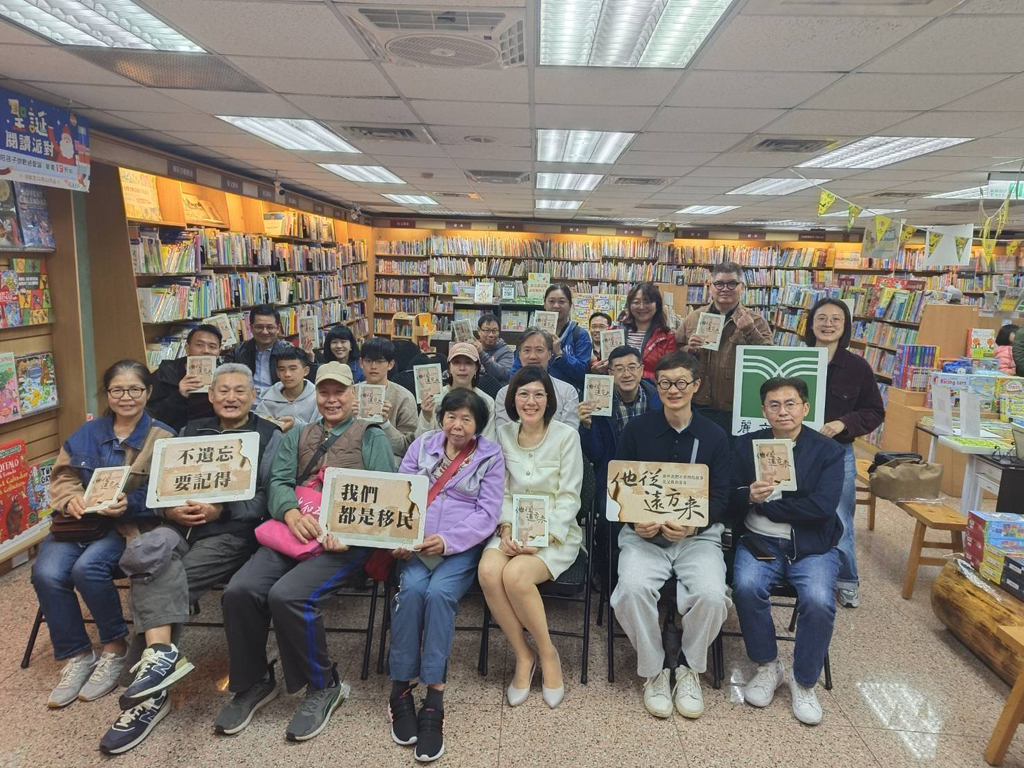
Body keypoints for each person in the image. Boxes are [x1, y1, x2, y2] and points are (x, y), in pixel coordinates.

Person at [102, 364, 281, 755]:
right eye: (223, 391)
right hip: (178, 526)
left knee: (161, 579)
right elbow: (159, 488)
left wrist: (222, 509)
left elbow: (269, 497)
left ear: (253, 396)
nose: (231, 398)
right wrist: (170, 510)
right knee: (149, 559)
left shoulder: (269, 435)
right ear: (211, 396)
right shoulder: (189, 431)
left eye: (240, 391)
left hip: (232, 532)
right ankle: (160, 662)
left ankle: (148, 695)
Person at [216, 362, 394, 741]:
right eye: (324, 392)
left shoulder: (371, 436)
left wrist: (348, 535)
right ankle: (253, 680)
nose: (331, 399)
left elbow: (384, 495)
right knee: (239, 591)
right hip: (293, 533)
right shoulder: (298, 434)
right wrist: (290, 512)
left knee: (289, 596)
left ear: (353, 395)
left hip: (343, 545)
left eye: (339, 392)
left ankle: (324, 684)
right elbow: (279, 481)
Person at [31, 361, 173, 712]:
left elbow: (164, 490)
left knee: (87, 569)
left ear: (148, 392)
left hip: (123, 526)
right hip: (78, 523)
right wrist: (70, 499)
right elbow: (63, 477)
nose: (126, 397)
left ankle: (114, 648)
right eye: (117, 390)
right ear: (107, 394)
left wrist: (129, 503)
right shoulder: (87, 432)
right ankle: (78, 655)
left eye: (134, 389)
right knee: (46, 573)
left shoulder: (163, 437)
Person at [609, 351, 732, 721]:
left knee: (713, 596)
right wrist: (634, 522)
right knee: (630, 590)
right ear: (656, 385)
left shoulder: (714, 436)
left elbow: (722, 497)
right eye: (664, 383)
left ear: (696, 385)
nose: (673, 390)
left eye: (681, 382)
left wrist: (694, 525)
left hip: (697, 538)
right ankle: (655, 670)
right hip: (644, 537)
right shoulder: (637, 430)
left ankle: (689, 667)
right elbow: (617, 489)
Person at [388, 389, 504, 763]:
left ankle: (434, 694)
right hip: (416, 543)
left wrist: (448, 541)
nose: (457, 425)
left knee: (439, 595)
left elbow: (487, 513)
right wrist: (402, 537)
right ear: (442, 418)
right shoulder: (423, 446)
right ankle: (400, 687)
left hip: (458, 546)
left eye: (467, 419)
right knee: (411, 592)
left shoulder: (490, 455)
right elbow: (400, 494)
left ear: (478, 425)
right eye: (452, 416)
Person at [730, 376, 845, 726]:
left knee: (819, 600)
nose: (783, 411)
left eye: (790, 404)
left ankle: (804, 680)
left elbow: (822, 507)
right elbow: (727, 493)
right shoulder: (745, 445)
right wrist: (747, 496)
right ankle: (768, 665)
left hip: (812, 544)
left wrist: (765, 506)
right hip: (759, 540)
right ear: (763, 410)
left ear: (805, 408)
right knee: (746, 587)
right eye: (774, 405)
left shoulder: (828, 451)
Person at [478, 366, 584, 709]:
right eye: (523, 394)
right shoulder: (502, 434)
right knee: (488, 571)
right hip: (510, 527)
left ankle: (548, 653)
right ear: (512, 400)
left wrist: (541, 536)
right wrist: (507, 528)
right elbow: (498, 490)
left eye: (539, 394)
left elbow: (570, 496)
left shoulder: (567, 436)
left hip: (554, 533)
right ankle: (524, 655)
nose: (531, 401)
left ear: (549, 399)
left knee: (516, 575)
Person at [804, 299, 885, 609]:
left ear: (846, 325)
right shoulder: (796, 358)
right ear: (811, 323)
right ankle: (799, 571)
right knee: (792, 508)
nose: (828, 324)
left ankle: (847, 580)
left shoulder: (857, 367)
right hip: (795, 449)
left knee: (840, 516)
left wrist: (844, 423)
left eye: (836, 319)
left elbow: (875, 411)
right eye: (821, 318)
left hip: (837, 452)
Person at [676, 262, 773, 440]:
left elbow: (770, 360)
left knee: (734, 453)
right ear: (710, 287)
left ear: (742, 288)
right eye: (719, 284)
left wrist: (750, 331)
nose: (725, 289)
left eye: (732, 284)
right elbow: (674, 354)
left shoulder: (756, 321)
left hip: (736, 407)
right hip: (698, 403)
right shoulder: (693, 318)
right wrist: (689, 349)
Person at [579, 344, 662, 512]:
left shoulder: (658, 398)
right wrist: (587, 427)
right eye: (619, 369)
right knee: (608, 512)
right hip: (613, 476)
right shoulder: (598, 403)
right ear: (610, 373)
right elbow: (595, 455)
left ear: (641, 370)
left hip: (653, 474)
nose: (626, 374)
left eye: (632, 367)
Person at [510, 284, 592, 390]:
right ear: (544, 304)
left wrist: (560, 355)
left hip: (566, 394)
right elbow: (517, 368)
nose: (556, 306)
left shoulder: (579, 335)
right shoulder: (530, 335)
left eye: (562, 301)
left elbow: (582, 372)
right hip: (533, 392)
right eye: (551, 301)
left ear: (570, 305)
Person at [495, 329, 579, 429]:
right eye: (527, 350)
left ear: (550, 354)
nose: (533, 356)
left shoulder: (568, 392)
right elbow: (504, 433)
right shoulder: (504, 394)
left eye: (539, 350)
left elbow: (569, 434)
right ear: (519, 355)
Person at [415, 342, 497, 442]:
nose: (462, 368)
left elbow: (488, 441)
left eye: (468, 363)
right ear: (449, 368)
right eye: (456, 362)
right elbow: (420, 442)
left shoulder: (487, 401)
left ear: (476, 368)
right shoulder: (434, 397)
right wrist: (426, 416)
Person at [147, 324, 222, 432]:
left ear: (219, 351)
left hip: (213, 432)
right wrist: (179, 395)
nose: (206, 351)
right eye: (199, 345)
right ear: (187, 348)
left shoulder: (224, 375)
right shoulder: (165, 373)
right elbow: (151, 414)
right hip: (174, 433)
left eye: (212, 346)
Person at [356, 336, 418, 463]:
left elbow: (407, 448)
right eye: (368, 361)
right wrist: (349, 419)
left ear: (390, 364)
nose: (373, 366)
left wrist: (385, 423)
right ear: (361, 363)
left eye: (379, 361)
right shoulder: (351, 393)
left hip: (390, 458)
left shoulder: (404, 397)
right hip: (354, 456)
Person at [224, 305, 303, 404]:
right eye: (259, 327)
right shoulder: (238, 352)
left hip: (277, 404)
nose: (265, 332)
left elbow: (302, 382)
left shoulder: (287, 352)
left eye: (270, 327)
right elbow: (223, 378)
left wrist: (310, 359)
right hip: (245, 405)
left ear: (278, 328)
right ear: (251, 328)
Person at [619, 282, 678, 379]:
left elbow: (669, 374)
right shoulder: (615, 331)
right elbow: (602, 360)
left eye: (647, 302)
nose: (641, 307)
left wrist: (638, 374)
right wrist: (597, 367)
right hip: (616, 388)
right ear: (629, 305)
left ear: (657, 305)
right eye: (636, 302)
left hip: (651, 388)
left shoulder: (667, 338)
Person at [256, 348, 319, 432]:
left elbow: (322, 430)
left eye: (293, 369)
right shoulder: (268, 400)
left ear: (306, 371)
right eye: (282, 370)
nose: (287, 374)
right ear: (277, 373)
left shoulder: (317, 398)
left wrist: (296, 424)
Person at [473, 312, 513, 383]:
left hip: (497, 389)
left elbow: (502, 373)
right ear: (479, 331)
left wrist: (482, 354)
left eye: (494, 331)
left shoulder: (506, 351)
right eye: (487, 330)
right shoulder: (473, 349)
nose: (491, 335)